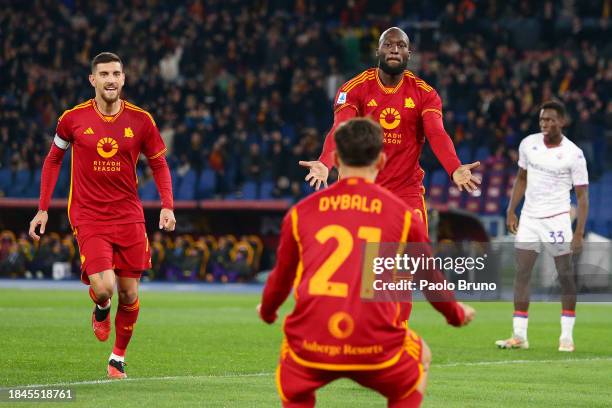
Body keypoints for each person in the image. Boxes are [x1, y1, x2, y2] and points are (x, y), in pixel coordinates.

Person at [260, 117, 475, 407]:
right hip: (375, 345)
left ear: (335, 158)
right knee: (421, 354)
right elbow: (430, 280)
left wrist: (268, 312)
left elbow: (281, 278)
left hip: (312, 344)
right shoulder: (403, 215)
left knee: (294, 382)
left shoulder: (300, 212)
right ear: (382, 160)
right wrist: (455, 314)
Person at [28, 52, 176, 378]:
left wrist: (167, 204)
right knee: (106, 287)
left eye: (116, 74)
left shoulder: (141, 121)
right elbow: (53, 160)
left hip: (129, 215)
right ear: (92, 80)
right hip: (89, 214)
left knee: (130, 292)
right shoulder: (72, 119)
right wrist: (42, 209)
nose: (111, 80)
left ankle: (117, 359)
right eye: (104, 74)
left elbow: (159, 163)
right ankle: (101, 306)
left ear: (124, 79)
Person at [299, 27, 481, 230]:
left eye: (401, 45)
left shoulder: (425, 94)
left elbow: (436, 133)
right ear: (377, 51)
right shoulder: (354, 88)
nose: (394, 49)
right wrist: (325, 163)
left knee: (414, 260)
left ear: (409, 55)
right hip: (361, 191)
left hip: (406, 193)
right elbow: (341, 128)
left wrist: (454, 167)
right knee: (364, 260)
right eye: (388, 44)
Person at [496, 100, 589, 352]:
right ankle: (519, 335)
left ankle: (566, 336)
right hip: (529, 218)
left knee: (565, 276)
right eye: (542, 120)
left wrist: (578, 232)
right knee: (522, 272)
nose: (545, 124)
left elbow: (581, 197)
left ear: (562, 122)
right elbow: (522, 178)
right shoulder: (528, 143)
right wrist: (511, 209)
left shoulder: (574, 154)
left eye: (550, 120)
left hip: (557, 219)